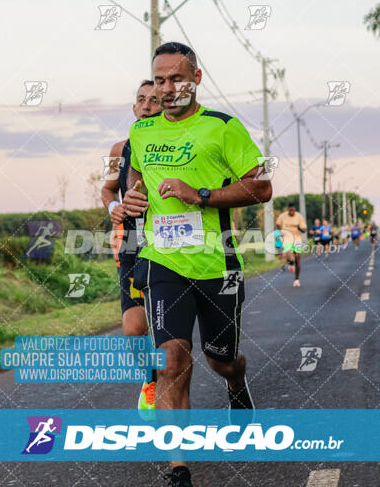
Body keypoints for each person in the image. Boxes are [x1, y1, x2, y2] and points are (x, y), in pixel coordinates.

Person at [123, 42, 272, 487]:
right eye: (160, 80)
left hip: (217, 264)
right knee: (171, 360)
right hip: (163, 263)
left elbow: (261, 187)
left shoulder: (222, 128)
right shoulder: (142, 133)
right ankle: (179, 466)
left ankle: (235, 384)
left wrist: (199, 195)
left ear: (196, 78)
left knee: (220, 359)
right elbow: (135, 181)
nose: (167, 89)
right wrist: (132, 197)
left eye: (176, 79)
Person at [101, 80, 162, 419]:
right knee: (134, 329)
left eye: (154, 100)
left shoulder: (177, 145)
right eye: (141, 99)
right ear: (134, 107)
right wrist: (115, 209)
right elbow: (108, 190)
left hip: (172, 242)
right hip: (132, 242)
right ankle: (150, 380)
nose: (147, 105)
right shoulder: (117, 149)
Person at [276, 202, 307, 287]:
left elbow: (304, 230)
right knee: (288, 252)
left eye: (293, 210)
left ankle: (296, 279)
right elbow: (278, 224)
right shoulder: (283, 216)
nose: (292, 212)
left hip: (297, 239)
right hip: (287, 238)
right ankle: (290, 262)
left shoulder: (299, 216)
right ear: (288, 209)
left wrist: (299, 228)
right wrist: (280, 230)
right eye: (290, 210)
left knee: (298, 258)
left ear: (295, 209)